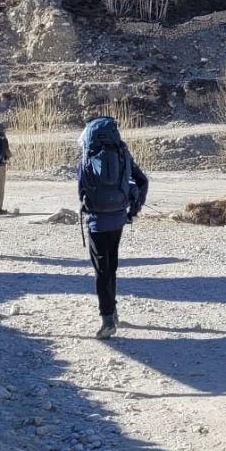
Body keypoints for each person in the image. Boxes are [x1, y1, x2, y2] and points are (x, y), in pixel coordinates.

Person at [77, 117, 148, 339]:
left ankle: (107, 319)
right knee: (112, 265)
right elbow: (142, 181)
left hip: (97, 220)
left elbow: (81, 189)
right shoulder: (122, 153)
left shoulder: (87, 157)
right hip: (118, 218)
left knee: (102, 270)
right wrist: (133, 210)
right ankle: (113, 311)